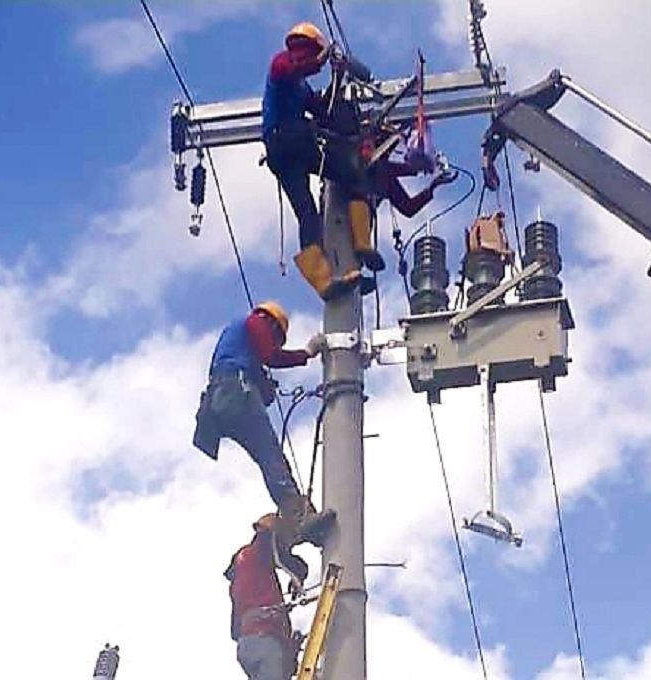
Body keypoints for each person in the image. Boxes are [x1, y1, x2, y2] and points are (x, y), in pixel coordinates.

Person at [193, 301, 334, 546]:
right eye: (277, 338)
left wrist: (263, 384)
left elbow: (256, 371)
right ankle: (300, 519)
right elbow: (271, 355)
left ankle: (296, 523)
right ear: (273, 324)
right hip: (236, 392)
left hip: (221, 402)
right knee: (271, 457)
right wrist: (307, 353)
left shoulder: (235, 344)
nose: (275, 342)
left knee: (267, 458)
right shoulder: (257, 321)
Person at [262, 22, 362, 301]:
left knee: (335, 187)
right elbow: (294, 68)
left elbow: (322, 110)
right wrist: (323, 58)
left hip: (292, 149)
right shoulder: (281, 64)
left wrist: (337, 78)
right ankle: (326, 275)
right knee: (314, 201)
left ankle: (345, 262)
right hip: (285, 143)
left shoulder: (302, 87)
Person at [348, 135, 459, 272]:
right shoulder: (374, 164)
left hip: (361, 218)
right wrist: (418, 168)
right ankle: (359, 253)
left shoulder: (384, 175)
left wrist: (431, 186)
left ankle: (359, 261)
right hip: (346, 204)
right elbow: (391, 168)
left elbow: (408, 207)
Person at [225, 514, 306, 680]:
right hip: (265, 639)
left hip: (247, 644)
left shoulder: (241, 578)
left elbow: (235, 631)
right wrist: (299, 572)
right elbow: (277, 549)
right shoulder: (258, 552)